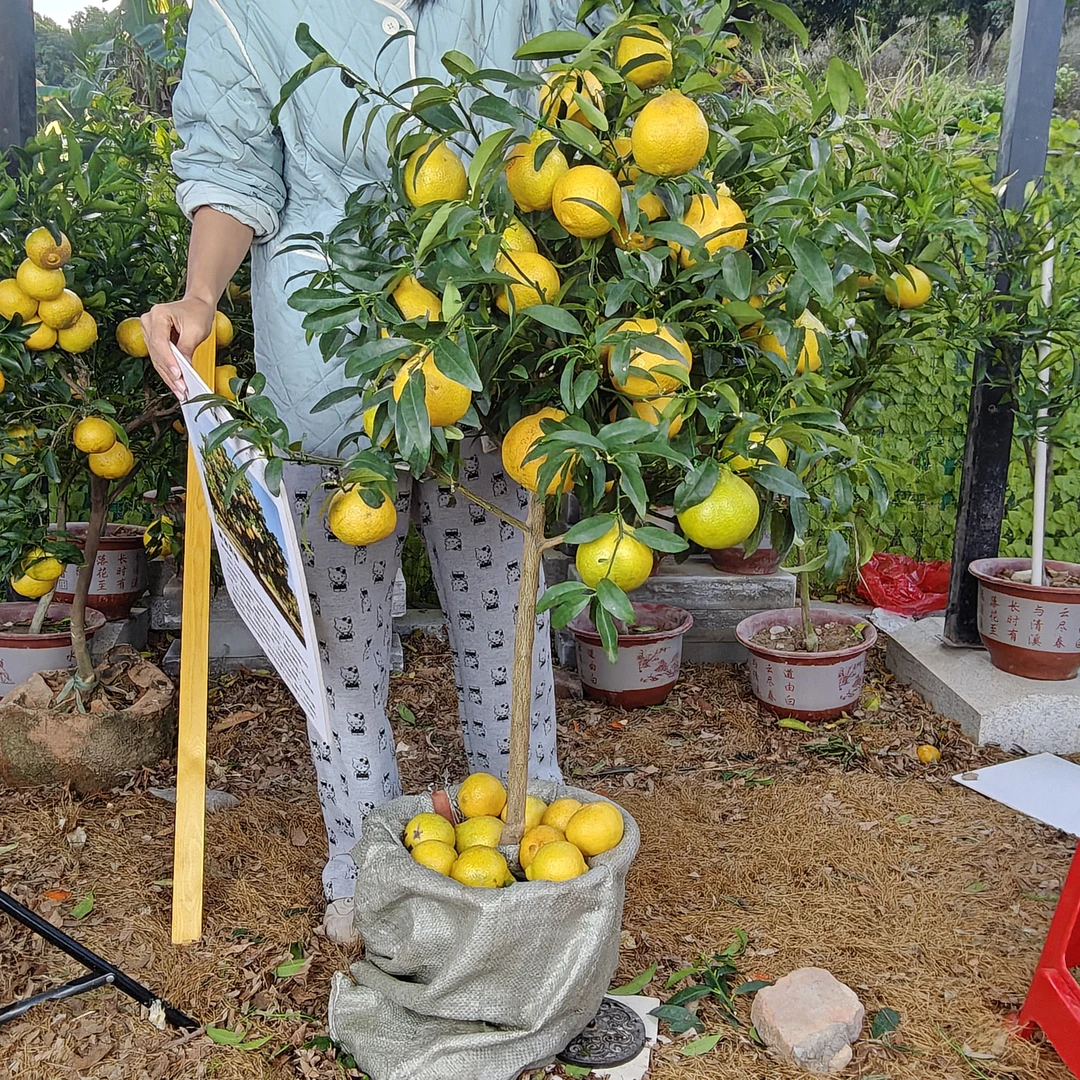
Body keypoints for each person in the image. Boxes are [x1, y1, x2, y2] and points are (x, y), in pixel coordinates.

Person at [143, 0, 582, 942]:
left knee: (509, 627)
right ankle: (368, 866)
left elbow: (576, 100)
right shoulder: (248, 9)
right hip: (330, 383)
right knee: (340, 651)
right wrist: (200, 293)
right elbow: (232, 167)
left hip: (489, 364)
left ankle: (528, 847)